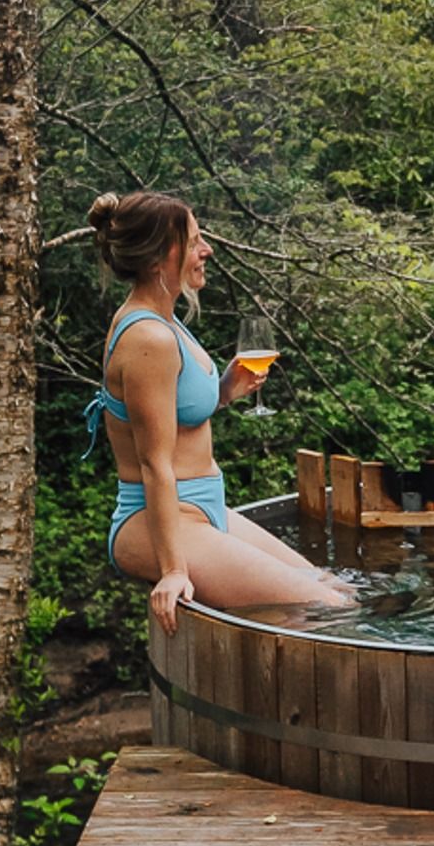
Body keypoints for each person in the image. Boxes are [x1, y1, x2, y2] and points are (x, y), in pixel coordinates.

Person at [87, 190, 352, 634]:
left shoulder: (167, 321)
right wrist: (174, 571)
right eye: (193, 242)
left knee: (339, 591)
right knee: (326, 609)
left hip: (203, 508)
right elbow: (154, 463)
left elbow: (176, 413)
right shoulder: (148, 337)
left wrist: (225, 391)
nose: (206, 250)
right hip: (159, 520)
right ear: (157, 259)